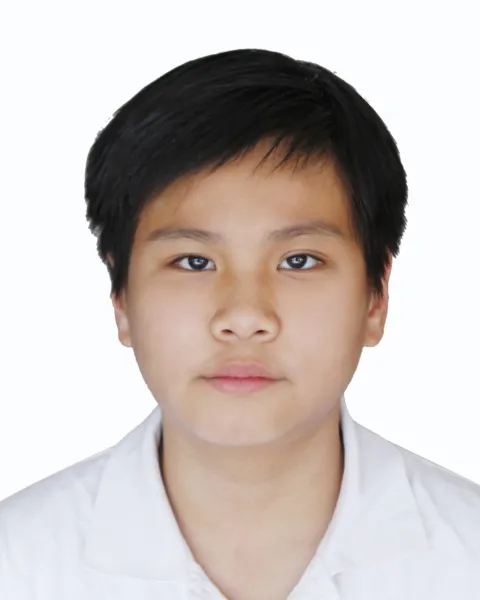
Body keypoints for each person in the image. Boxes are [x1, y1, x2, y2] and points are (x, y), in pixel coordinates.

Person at [1, 48, 479, 600]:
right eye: (193, 262)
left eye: (298, 261)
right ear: (122, 297)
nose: (245, 317)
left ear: (376, 296)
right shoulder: (17, 564)